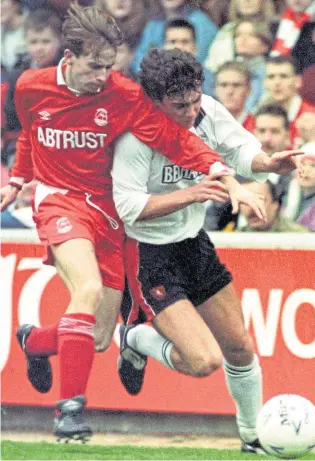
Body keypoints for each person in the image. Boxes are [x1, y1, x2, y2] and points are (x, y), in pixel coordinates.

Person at [0, 2, 238, 443]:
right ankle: (69, 413)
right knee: (86, 289)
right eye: (93, 67)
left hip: (109, 214)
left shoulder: (123, 93)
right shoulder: (30, 85)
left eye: (108, 67)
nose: (101, 77)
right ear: (68, 59)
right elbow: (33, 130)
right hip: (60, 201)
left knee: (99, 338)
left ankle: (33, 341)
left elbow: (172, 139)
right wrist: (19, 178)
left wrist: (217, 169)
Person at [111, 48, 302, 454]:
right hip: (148, 253)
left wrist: (272, 164)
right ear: (154, 101)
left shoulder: (206, 111)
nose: (192, 111)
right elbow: (127, 209)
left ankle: (253, 439)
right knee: (203, 362)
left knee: (240, 348)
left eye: (196, 99)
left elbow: (241, 154)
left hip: (194, 244)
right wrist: (191, 194)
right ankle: (136, 338)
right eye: (180, 106)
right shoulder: (135, 138)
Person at [263, 55, 315, 147]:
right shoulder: (259, 115)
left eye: (283, 76)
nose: (277, 82)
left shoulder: (312, 115)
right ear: (264, 83)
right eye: (271, 77)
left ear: (298, 81)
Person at [163, 18, 214, 96]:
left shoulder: (209, 80)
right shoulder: (151, 80)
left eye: (185, 42)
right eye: (173, 42)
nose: (179, 47)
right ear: (163, 47)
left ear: (195, 47)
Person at [237, 179, 309, 232]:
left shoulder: (299, 236)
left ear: (275, 204)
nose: (251, 207)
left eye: (259, 200)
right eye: (245, 202)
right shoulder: (236, 239)